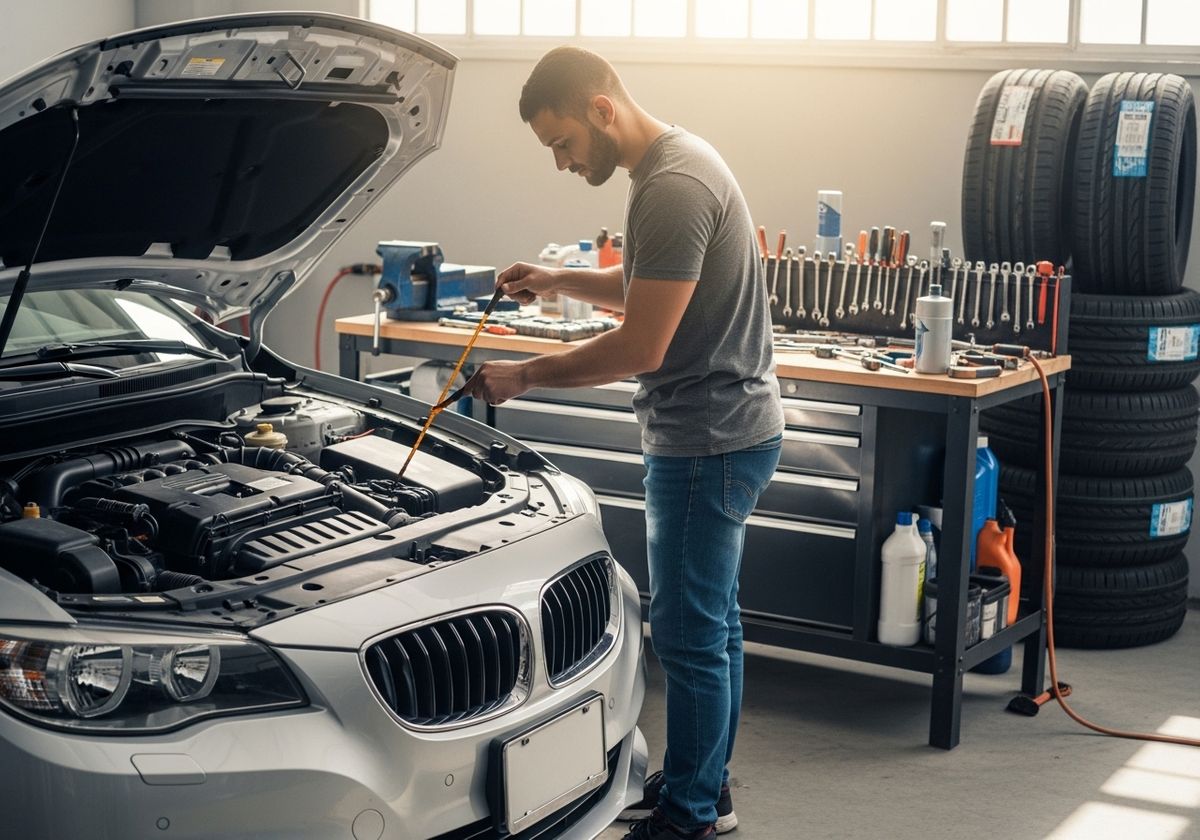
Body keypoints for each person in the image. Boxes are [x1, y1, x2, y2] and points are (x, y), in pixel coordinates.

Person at [462, 47, 783, 840]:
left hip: (706, 440)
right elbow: (653, 282)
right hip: (728, 430)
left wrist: (527, 375)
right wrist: (558, 277)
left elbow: (643, 344)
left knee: (686, 632)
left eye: (563, 143)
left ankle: (689, 817)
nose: (565, 164)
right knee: (716, 625)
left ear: (600, 109)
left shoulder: (670, 187)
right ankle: (708, 786)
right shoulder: (672, 164)